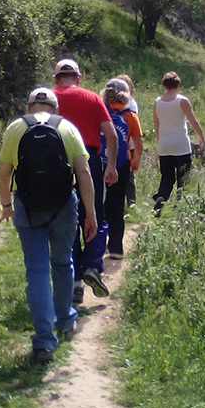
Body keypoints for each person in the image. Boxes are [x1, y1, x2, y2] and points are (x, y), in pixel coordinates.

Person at [0, 87, 97, 364]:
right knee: (63, 262)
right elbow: (84, 171)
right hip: (64, 206)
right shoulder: (67, 127)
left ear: (30, 106)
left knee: (37, 271)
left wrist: (6, 205)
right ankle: (65, 321)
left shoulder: (16, 128)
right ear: (55, 107)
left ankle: (43, 344)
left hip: (27, 207)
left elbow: (4, 174)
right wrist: (91, 214)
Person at [53, 58, 118, 303]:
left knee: (68, 220)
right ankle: (92, 265)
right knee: (95, 216)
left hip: (58, 163)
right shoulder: (92, 98)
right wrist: (111, 165)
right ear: (78, 78)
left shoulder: (48, 98)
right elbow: (111, 134)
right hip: (90, 160)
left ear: (57, 79)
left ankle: (76, 283)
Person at [152, 71, 205, 215]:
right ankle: (181, 210)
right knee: (183, 179)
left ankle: (158, 207)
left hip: (164, 145)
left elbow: (156, 125)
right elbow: (193, 121)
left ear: (164, 85)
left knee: (166, 178)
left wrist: (160, 141)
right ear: (178, 85)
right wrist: (201, 137)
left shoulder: (157, 102)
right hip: (181, 145)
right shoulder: (182, 101)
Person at [101, 78, 143, 259]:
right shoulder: (131, 115)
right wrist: (136, 159)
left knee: (99, 204)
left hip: (101, 162)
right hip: (121, 163)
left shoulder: (101, 111)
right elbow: (138, 142)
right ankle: (116, 248)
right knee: (117, 205)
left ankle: (99, 244)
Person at [115, 73, 139, 208]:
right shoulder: (130, 103)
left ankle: (131, 204)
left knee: (128, 175)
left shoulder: (131, 104)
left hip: (127, 144)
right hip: (126, 143)